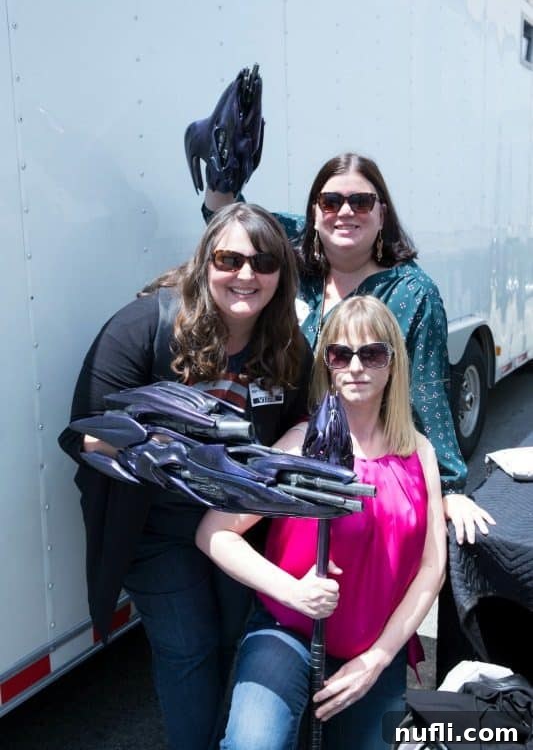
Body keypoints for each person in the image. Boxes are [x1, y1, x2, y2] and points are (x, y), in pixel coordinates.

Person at [58, 202, 314, 750]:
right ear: (206, 262)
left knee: (229, 637)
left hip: (236, 524)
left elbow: (304, 419)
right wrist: (178, 446)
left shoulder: (287, 342)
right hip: (153, 524)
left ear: (281, 273)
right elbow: (86, 436)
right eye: (230, 258)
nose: (246, 274)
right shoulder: (144, 326)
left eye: (264, 261)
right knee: (188, 645)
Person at [202, 152, 495, 545]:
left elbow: (426, 395)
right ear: (315, 213)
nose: (345, 212)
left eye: (361, 201)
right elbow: (236, 231)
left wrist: (450, 489)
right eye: (331, 201)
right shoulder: (295, 265)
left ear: (381, 214)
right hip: (275, 459)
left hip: (350, 478)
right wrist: (220, 175)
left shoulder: (411, 292)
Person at [196, 294, 447, 750]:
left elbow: (432, 568)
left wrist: (378, 659)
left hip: (376, 646)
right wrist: (292, 590)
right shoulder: (300, 447)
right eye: (341, 353)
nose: (356, 366)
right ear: (327, 363)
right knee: (253, 744)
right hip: (288, 631)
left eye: (372, 353)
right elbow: (214, 532)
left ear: (393, 364)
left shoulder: (419, 453)